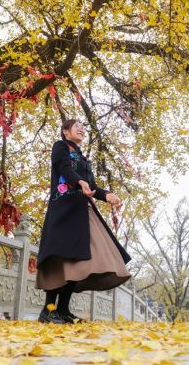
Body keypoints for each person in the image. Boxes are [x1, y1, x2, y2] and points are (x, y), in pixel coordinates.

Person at [35, 119, 132, 323]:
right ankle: (48, 310)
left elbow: (92, 186)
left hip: (83, 212)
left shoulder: (83, 158)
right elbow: (63, 168)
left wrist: (107, 195)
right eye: (76, 126)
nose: (81, 129)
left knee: (80, 260)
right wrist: (79, 181)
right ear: (65, 131)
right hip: (63, 211)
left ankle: (63, 310)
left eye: (83, 127)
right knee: (60, 258)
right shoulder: (60, 147)